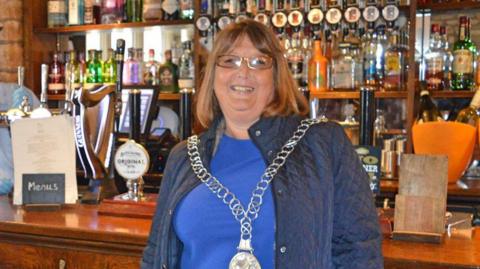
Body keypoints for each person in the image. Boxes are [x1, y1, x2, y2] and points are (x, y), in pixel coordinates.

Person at [142, 20, 383, 269]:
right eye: (229, 60)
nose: (243, 72)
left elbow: (359, 250)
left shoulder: (322, 144)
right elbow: (156, 253)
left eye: (258, 62)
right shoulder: (184, 156)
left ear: (277, 76)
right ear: (213, 76)